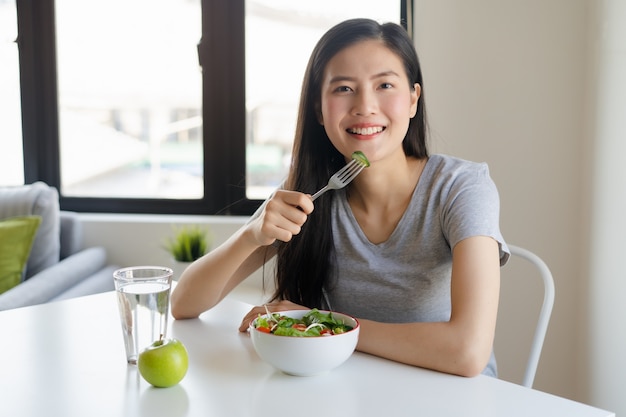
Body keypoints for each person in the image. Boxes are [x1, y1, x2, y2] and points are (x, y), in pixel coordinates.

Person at [171, 18, 509, 378]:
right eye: (344, 88)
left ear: (412, 100)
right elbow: (184, 304)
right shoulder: (308, 194)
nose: (365, 106)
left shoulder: (461, 188)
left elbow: (468, 353)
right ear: (319, 109)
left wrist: (321, 324)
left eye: (384, 85)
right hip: (347, 390)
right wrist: (251, 236)